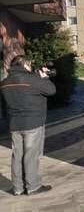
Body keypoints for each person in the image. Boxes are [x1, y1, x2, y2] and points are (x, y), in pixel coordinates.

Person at [0, 55, 55, 196]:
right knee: (31, 155)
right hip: (32, 123)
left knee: (17, 156)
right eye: (30, 65)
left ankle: (17, 188)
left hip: (14, 125)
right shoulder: (32, 79)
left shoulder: (4, 82)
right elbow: (51, 90)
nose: (31, 67)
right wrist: (44, 77)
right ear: (25, 64)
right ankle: (33, 186)